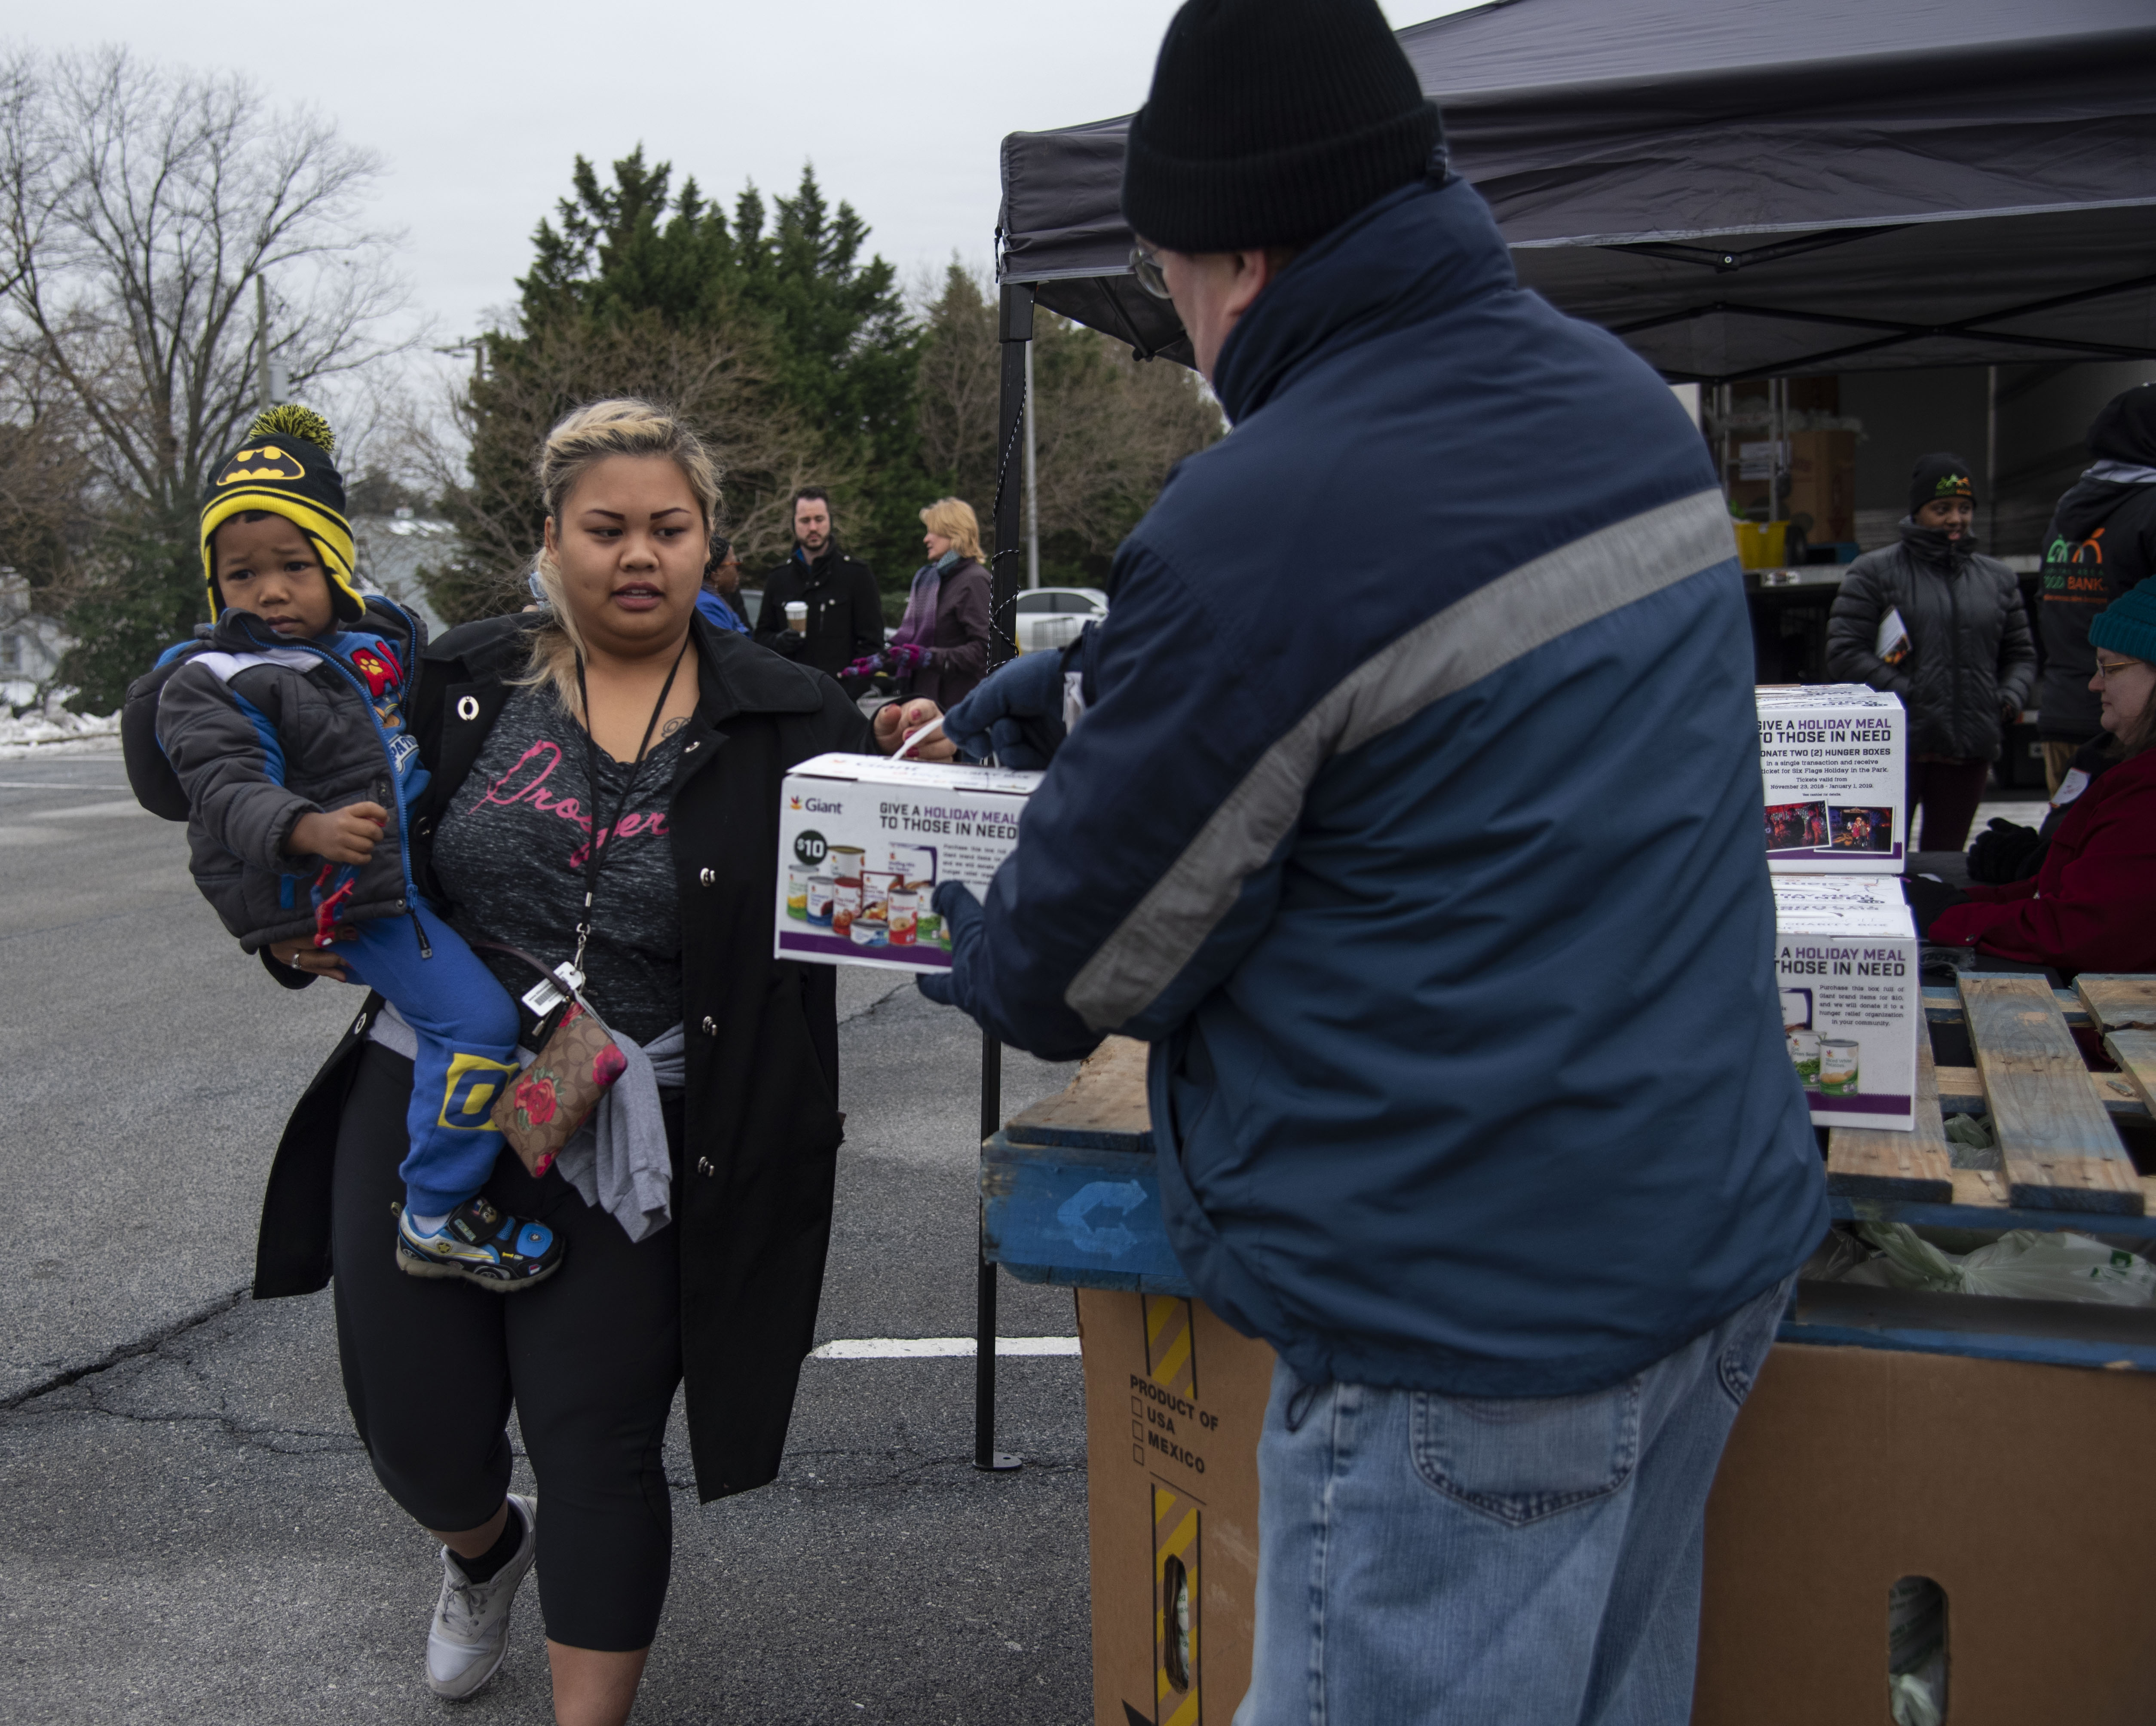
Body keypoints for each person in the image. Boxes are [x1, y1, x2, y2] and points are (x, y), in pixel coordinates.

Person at [907, 2, 1827, 1719]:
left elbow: (1077, 967)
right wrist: (1100, 681)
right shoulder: (1616, 400)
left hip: (1473, 1325)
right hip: (1705, 1236)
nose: (1174, 329)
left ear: (1239, 258)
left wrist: (957, 920)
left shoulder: (1262, 515)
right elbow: (1426, 697)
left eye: (1165, 276)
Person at [233, 401, 870, 1723]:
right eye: (605, 528)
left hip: (634, 1119)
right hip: (432, 1099)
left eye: (668, 528)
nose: (637, 554)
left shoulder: (793, 715)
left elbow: (877, 893)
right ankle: (480, 1548)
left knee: (598, 1439)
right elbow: (321, 816)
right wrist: (293, 924)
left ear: (710, 547)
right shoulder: (464, 678)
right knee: (418, 1434)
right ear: (550, 542)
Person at [147, 406, 556, 1289]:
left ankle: (482, 1165)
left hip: (391, 878)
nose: (268, 592)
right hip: (343, 892)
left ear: (335, 566)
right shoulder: (216, 678)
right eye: (241, 574)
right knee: (479, 1025)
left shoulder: (370, 647)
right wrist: (308, 831)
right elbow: (225, 792)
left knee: (502, 1010)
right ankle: (436, 1211)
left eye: (294, 567)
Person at [1922, 579, 2156, 973]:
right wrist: (1962, 901)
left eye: (2109, 667)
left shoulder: (2147, 789)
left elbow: (2081, 931)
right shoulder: (2128, 768)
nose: (2095, 683)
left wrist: (1952, 915)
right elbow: (2064, 893)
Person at [1825, 453, 2035, 853]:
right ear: (1918, 512)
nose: (1956, 519)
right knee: (1880, 858)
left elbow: (2021, 654)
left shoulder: (1999, 579)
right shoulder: (1873, 572)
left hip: (1968, 750)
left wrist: (2007, 700)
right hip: (1895, 750)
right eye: (1942, 509)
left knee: (1947, 866)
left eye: (1964, 508)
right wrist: (1911, 693)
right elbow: (1844, 652)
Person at [2037, 384, 2156, 786]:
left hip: (2063, 710)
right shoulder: (2150, 509)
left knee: (2066, 841)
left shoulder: (2071, 506)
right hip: (2131, 725)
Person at [842, 498, 995, 708]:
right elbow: (914, 648)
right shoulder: (930, 579)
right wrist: (881, 662)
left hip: (957, 710)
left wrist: (929, 658)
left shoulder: (974, 580)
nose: (926, 539)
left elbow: (985, 650)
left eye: (934, 531)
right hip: (923, 703)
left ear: (955, 532)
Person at [751, 487, 882, 689]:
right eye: (805, 521)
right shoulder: (778, 578)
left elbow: (872, 645)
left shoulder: (857, 575)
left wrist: (851, 691)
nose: (813, 527)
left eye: (819, 519)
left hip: (840, 698)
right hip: (790, 696)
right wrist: (779, 642)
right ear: (794, 525)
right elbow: (760, 639)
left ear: (830, 521)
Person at [694, 534, 750, 634]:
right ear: (716, 573)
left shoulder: (706, 598)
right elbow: (729, 648)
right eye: (735, 565)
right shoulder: (707, 606)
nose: (738, 572)